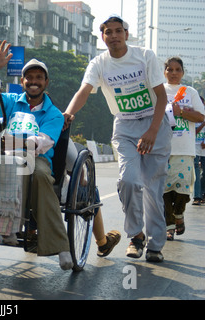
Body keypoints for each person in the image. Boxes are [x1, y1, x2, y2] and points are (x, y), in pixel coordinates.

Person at [63, 16, 172, 262]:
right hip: (124, 126)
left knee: (153, 190)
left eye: (117, 31)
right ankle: (136, 236)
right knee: (129, 181)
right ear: (103, 37)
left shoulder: (145, 56)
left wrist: (153, 131)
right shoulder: (99, 64)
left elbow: (161, 98)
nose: (113, 36)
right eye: (108, 32)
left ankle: (155, 245)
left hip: (154, 123)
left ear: (126, 33)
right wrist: (68, 113)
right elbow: (84, 91)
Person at [0, 40, 74, 270]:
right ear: (22, 81)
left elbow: (42, 143)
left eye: (39, 78)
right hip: (3, 155)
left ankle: (61, 244)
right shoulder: (8, 101)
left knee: (35, 174)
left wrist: (12, 142)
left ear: (46, 82)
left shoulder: (54, 114)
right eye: (30, 78)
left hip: (36, 160)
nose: (34, 82)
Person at [163, 58, 205, 241]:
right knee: (164, 191)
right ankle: (169, 226)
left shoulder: (190, 92)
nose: (173, 73)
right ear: (164, 71)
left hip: (184, 149)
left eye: (177, 69)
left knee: (181, 191)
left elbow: (201, 116)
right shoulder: (158, 91)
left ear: (183, 72)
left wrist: (180, 112)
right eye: (169, 69)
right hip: (161, 149)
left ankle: (179, 214)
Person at [65, 139, 121, 257]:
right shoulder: (55, 126)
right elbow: (75, 169)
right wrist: (82, 181)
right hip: (53, 188)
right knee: (91, 191)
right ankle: (102, 242)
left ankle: (31, 231)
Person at [193, 96, 205, 205]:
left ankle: (203, 194)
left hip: (204, 147)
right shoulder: (192, 115)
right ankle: (197, 196)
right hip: (194, 147)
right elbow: (194, 132)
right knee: (196, 171)